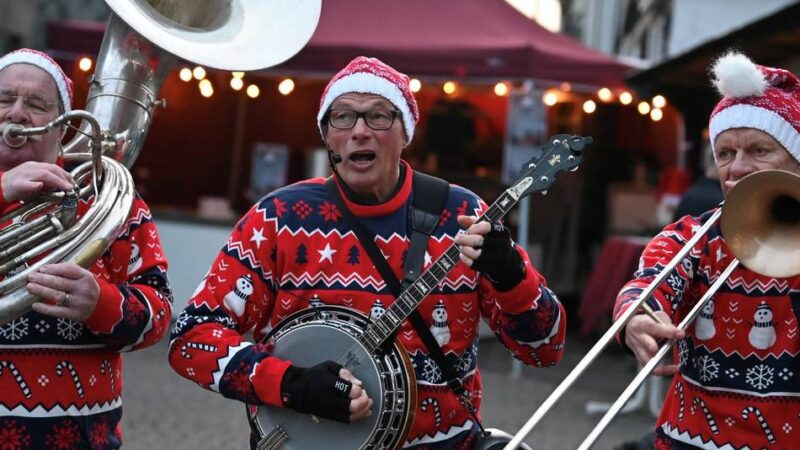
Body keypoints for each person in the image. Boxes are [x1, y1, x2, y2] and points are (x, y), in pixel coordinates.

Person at [169, 56, 566, 448]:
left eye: (379, 116)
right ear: (327, 136)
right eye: (342, 117)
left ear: (405, 133)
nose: (359, 130)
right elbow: (190, 338)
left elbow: (544, 350)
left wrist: (512, 277)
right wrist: (291, 385)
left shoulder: (463, 215)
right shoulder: (277, 218)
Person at [614, 51, 800, 449]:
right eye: (726, 154)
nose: (737, 168)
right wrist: (636, 317)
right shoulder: (692, 236)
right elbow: (649, 283)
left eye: (759, 150)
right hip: (689, 439)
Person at [0, 49, 172, 449]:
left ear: (63, 127)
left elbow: (159, 316)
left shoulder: (111, 201)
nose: (17, 113)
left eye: (38, 104)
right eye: (4, 100)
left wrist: (102, 303)